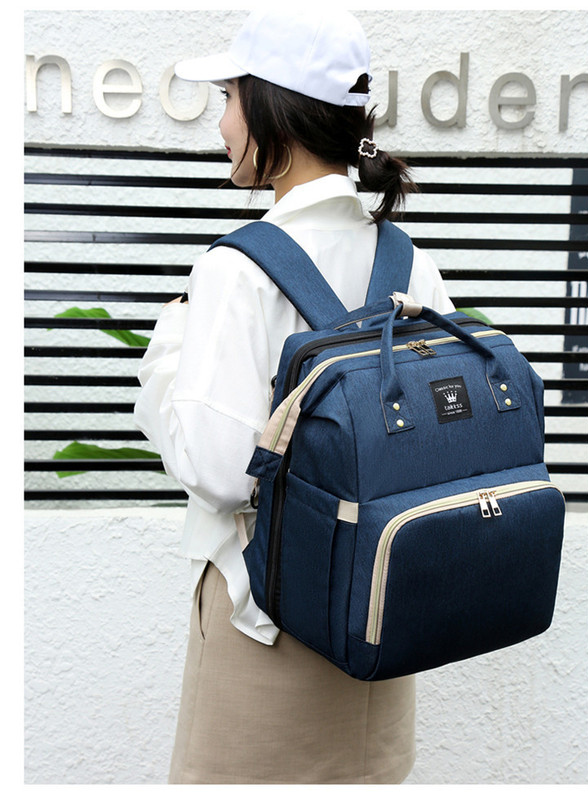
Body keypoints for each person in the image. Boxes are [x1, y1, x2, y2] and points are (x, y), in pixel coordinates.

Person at [134, 9, 454, 784]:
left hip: (266, 631)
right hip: (381, 628)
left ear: (272, 111)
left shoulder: (237, 270)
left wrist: (169, 343)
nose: (220, 125)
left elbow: (221, 471)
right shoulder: (408, 260)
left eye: (228, 99)